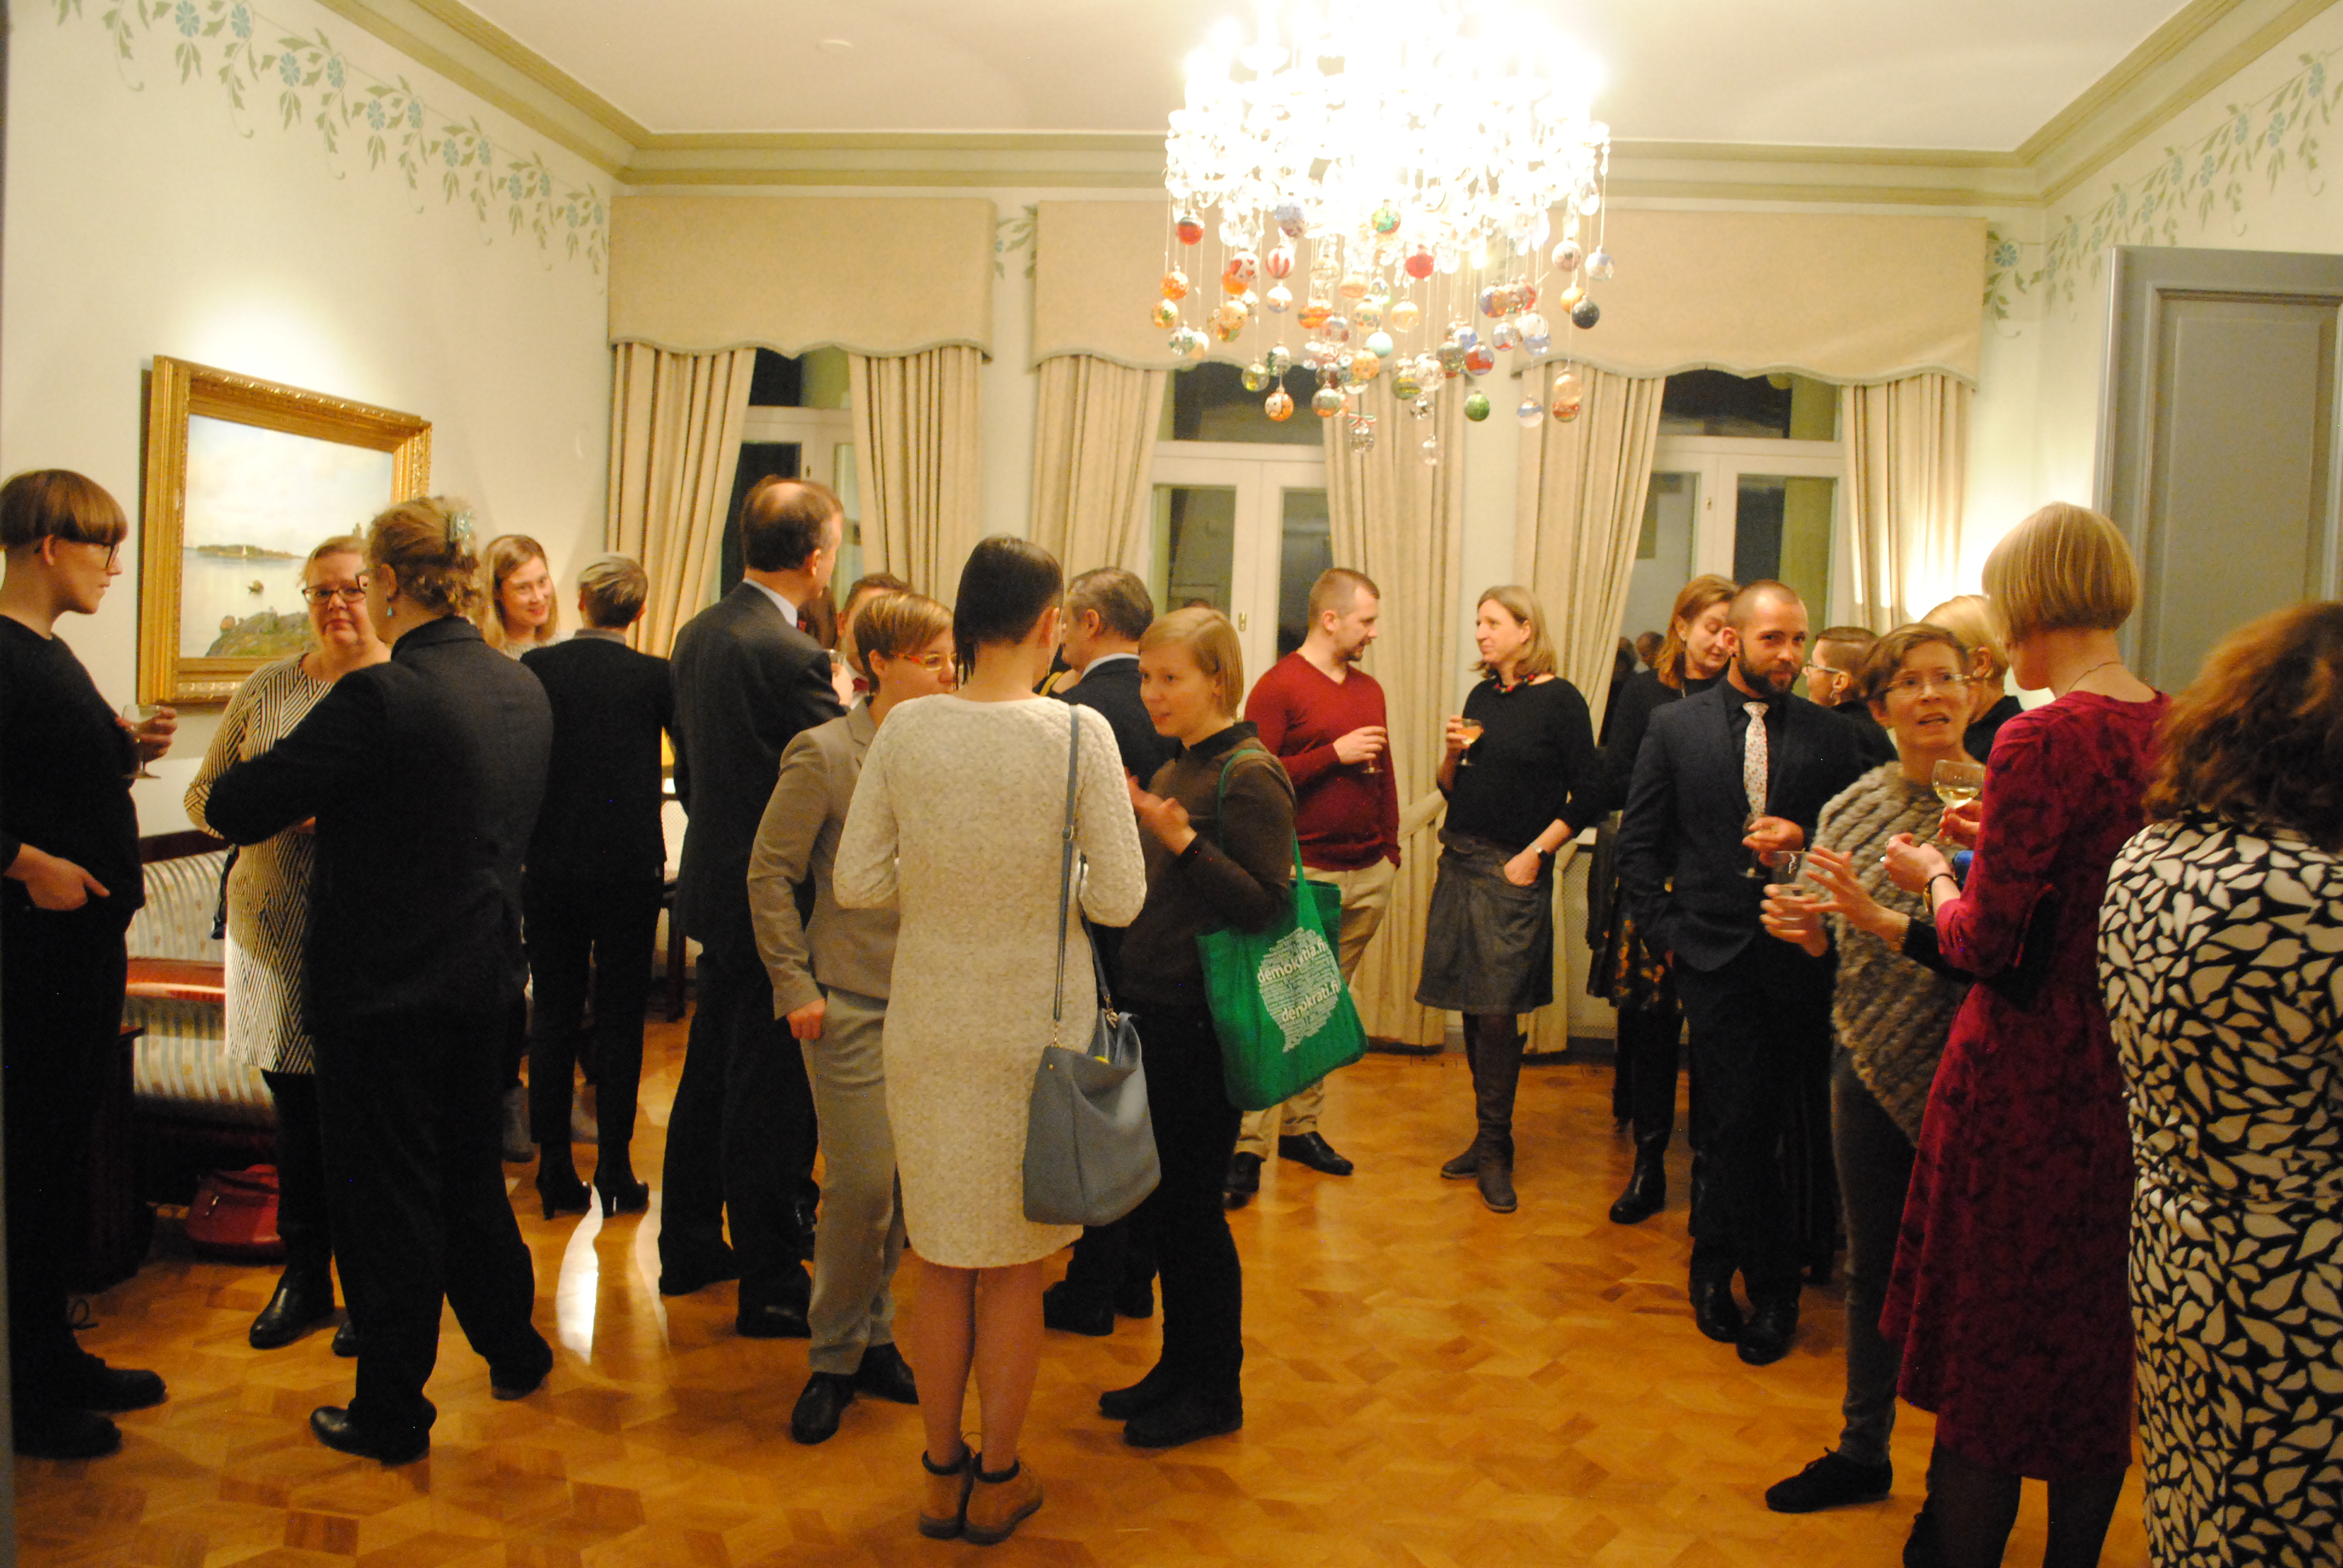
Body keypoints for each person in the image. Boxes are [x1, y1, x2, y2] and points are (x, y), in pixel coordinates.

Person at [203, 497, 554, 1466]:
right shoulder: (520, 686)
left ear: (390, 582)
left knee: (386, 1202)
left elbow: (234, 804)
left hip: (385, 993)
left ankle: (393, 1411)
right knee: (470, 1179)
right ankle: (515, 1349)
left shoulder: (382, 695)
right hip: (488, 976)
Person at [834, 536, 1144, 1545]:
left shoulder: (908, 728)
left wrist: (946, 877)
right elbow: (1121, 897)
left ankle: (939, 1476)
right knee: (1012, 1268)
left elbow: (858, 882)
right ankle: (998, 1475)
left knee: (940, 1259)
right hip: (1031, 1031)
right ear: (1051, 623)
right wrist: (1046, 881)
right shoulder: (1079, 732)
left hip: (927, 1020)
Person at [1878, 503, 2165, 1567]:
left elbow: (1985, 944)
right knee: (2090, 1353)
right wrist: (1987, 844)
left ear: (2034, 605)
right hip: (2123, 1077)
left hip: (2023, 1079)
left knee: (1990, 1363)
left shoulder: (2042, 736)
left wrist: (1935, 877)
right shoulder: (2172, 723)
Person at [2102, 600, 2343, 1568]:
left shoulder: (2151, 855)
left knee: (2199, 1514)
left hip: (2179, 1255)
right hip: (2303, 1292)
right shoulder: (2318, 899)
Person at [1751, 624, 1974, 1523]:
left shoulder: (2004, 805)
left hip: (1976, 1069)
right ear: (1879, 708)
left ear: (1972, 692)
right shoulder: (1849, 810)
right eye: (1909, 684)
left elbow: (2002, 951)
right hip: (1866, 1060)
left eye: (1946, 678)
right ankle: (1862, 1449)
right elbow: (1832, 955)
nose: (1931, 696)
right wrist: (1808, 932)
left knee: (1966, 1283)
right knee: (1872, 1268)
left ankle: (1962, 1478)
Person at [1615, 580, 1869, 1364]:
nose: (1789, 654)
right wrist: (1671, 938)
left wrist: (1803, 843)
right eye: (1772, 640)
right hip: (1710, 957)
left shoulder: (1830, 735)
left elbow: (1854, 842)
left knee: (1770, 1124)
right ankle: (1761, 1284)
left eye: (1798, 639)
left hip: (1801, 955)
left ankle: (1726, 1260)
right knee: (1731, 1120)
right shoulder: (1675, 727)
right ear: (1732, 640)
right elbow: (1638, 848)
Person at [750, 590, 955, 1446]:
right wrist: (794, 983)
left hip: (933, 1001)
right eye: (931, 659)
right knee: (861, 1185)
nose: (948, 673)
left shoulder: (949, 750)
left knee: (902, 1189)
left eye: (951, 658)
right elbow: (769, 873)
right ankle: (832, 1356)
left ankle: (872, 1338)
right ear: (879, 665)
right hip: (850, 1000)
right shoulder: (827, 752)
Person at [1, 469, 176, 1460]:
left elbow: (49, 775)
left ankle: (53, 1357)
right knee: (30, 1169)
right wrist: (30, 866)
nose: (115, 564)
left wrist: (130, 751)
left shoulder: (47, 653)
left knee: (59, 1163)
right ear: (46, 544)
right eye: (101, 544)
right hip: (33, 957)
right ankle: (26, 1394)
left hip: (78, 950)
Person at [186, 534, 388, 1355]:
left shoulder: (397, 687)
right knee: (296, 1119)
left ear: (383, 592)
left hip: (366, 938)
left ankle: (371, 1291)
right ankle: (304, 1277)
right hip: (270, 929)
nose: (337, 604)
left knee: (361, 1121)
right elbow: (204, 796)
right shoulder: (269, 688)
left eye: (353, 588)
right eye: (320, 591)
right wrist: (278, 812)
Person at [1106, 606, 1294, 1451]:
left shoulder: (1249, 774)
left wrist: (1181, 842)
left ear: (1218, 680)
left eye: (1170, 678)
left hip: (1201, 1023)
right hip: (1158, 1010)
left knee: (1192, 1212)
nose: (1152, 694)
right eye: (1146, 677)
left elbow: (1267, 906)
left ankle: (1214, 1389)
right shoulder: (1180, 765)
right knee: (1167, 1210)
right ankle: (1178, 1368)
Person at [661, 477, 847, 1334]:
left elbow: (695, 772)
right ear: (814, 558)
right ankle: (770, 1280)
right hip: (773, 899)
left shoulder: (699, 631)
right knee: (768, 1096)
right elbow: (835, 780)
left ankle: (689, 1242)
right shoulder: (792, 654)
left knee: (710, 1077)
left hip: (714, 880)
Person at [1418, 586, 1599, 1214]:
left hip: (1513, 870)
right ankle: (1486, 1137)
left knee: (1497, 1011)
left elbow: (1589, 794)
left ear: (1527, 630)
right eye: (1478, 622)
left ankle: (1497, 1148)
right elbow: (1451, 788)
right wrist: (1450, 753)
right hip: (1460, 861)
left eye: (1492, 622)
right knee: (1474, 1006)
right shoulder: (1480, 698)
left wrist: (1536, 854)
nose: (1480, 632)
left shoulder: (1560, 701)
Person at [1227, 566, 1398, 1203]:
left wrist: (1391, 850)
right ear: (1331, 619)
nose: (1372, 633)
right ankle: (1248, 1146)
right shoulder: (1278, 687)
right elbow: (1253, 776)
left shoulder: (1370, 689)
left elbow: (1384, 773)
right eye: (1366, 621)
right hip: (1305, 873)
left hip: (1367, 872)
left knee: (1323, 1007)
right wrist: (1333, 754)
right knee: (1284, 1006)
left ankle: (1301, 1129)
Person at [1040, 566, 1178, 1337]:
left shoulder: (1071, 713)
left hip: (1096, 935)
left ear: (1090, 622)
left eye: (1067, 621)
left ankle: (1093, 1281)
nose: (1061, 634)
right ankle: (1134, 1277)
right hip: (1165, 936)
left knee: (1096, 1105)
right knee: (1142, 1107)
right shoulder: (1170, 708)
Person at [517, 555, 672, 1220]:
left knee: (553, 1013)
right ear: (639, 611)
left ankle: (553, 1165)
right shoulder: (655, 676)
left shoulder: (537, 668)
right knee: (620, 1017)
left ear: (580, 602)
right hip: (628, 865)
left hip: (550, 861)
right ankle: (614, 1165)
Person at [1594, 574, 1735, 1225]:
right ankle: (1648, 1167)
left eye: (1732, 630)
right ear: (1681, 626)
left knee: (1712, 1039)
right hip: (1656, 884)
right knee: (1651, 1033)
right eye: (1712, 627)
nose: (1723, 642)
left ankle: (1707, 1173)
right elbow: (1616, 778)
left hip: (1717, 890)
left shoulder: (1741, 697)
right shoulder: (1646, 693)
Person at [1922, 593, 2022, 763]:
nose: (1927, 693)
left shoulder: (2014, 743)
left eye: (1943, 675)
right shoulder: (1960, 734)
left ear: (1980, 663)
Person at [1808, 625, 1898, 765]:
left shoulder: (1833, 733)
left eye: (1813, 666)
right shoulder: (1876, 728)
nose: (1806, 672)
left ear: (1840, 682)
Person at [835, 570, 913, 702]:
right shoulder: (816, 685)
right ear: (843, 624)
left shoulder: (917, 694)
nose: (876, 636)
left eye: (890, 624)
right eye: (867, 622)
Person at [480, 533, 560, 657]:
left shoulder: (560, 650)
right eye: (523, 588)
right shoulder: (485, 657)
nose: (538, 598)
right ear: (496, 592)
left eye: (542, 582)